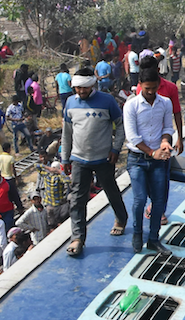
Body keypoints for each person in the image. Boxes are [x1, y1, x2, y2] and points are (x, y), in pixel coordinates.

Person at [62, 67, 128, 257]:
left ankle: (121, 218)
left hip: (103, 158)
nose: (81, 91)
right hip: (78, 159)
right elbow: (67, 133)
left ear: (92, 85)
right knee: (77, 198)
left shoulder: (107, 101)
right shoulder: (70, 103)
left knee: (111, 190)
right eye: (78, 88)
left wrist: (116, 149)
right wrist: (65, 158)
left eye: (85, 88)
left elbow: (121, 125)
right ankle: (78, 237)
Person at [125, 66, 176, 254]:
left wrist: (165, 142)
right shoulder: (131, 106)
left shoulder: (165, 103)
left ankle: (154, 238)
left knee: (159, 200)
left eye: (154, 88)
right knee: (139, 200)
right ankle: (137, 234)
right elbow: (132, 137)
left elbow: (168, 128)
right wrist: (151, 152)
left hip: (158, 160)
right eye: (147, 89)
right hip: (137, 159)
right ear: (140, 85)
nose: (151, 92)